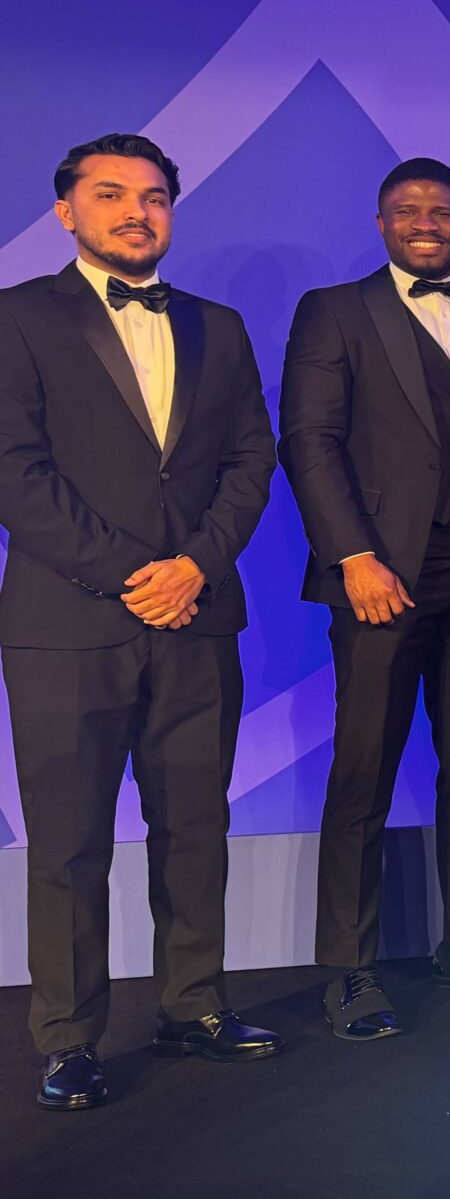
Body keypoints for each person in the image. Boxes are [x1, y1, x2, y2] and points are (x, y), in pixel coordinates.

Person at [0, 135, 278, 1110]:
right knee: (69, 842)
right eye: (112, 194)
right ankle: (69, 1038)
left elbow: (252, 459)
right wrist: (133, 575)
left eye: (155, 196)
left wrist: (196, 564)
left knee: (196, 826)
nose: (136, 212)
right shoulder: (17, 317)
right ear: (66, 211)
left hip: (197, 616)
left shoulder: (219, 326)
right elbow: (14, 473)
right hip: (66, 626)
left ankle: (194, 1006)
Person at [281, 158, 450, 1041]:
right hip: (383, 576)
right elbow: (309, 442)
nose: (426, 222)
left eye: (443, 211)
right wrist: (354, 557)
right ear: (381, 223)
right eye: (408, 210)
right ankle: (350, 970)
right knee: (362, 773)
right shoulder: (334, 311)